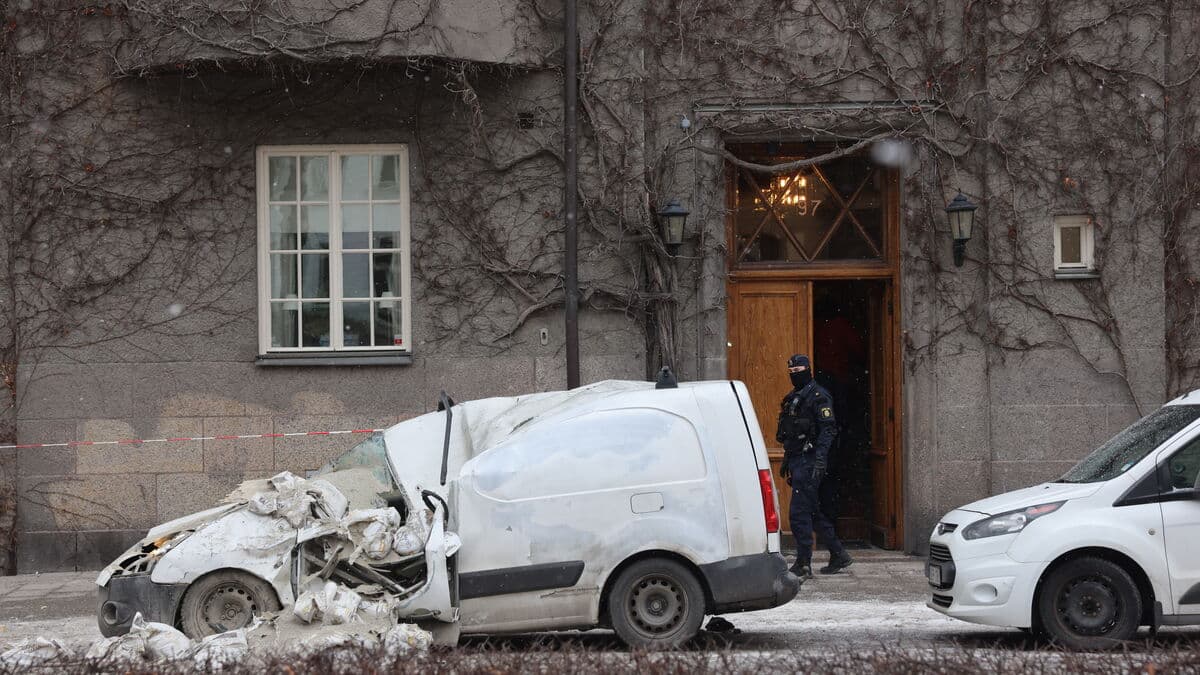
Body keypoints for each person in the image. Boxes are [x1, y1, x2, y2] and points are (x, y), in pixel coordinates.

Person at [777, 354, 854, 580]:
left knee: (799, 513)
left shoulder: (819, 396)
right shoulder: (794, 398)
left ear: (808, 370)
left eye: (798, 371)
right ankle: (838, 554)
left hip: (810, 460)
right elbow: (791, 433)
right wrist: (786, 460)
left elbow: (828, 429)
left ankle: (803, 563)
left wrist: (820, 459)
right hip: (797, 460)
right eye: (791, 372)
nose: (794, 375)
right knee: (811, 510)